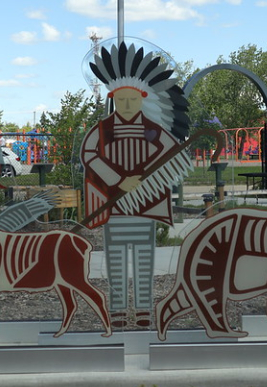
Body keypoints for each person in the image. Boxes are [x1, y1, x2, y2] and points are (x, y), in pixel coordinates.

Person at [81, 42, 191, 328]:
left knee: (144, 259)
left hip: (145, 206)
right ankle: (117, 309)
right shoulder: (102, 131)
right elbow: (89, 155)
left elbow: (173, 154)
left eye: (132, 100)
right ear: (113, 100)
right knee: (116, 259)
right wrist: (117, 180)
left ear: (142, 98)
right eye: (121, 100)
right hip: (116, 205)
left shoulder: (153, 131)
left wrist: (149, 178)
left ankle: (143, 309)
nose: (127, 106)